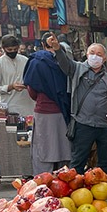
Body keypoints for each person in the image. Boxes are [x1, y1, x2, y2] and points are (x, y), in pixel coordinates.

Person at [47, 35, 107, 176]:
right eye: (92, 53)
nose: (95, 57)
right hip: (83, 123)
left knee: (105, 162)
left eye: (99, 54)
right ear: (87, 55)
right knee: (78, 160)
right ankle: (75, 191)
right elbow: (65, 63)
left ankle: (104, 190)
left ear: (105, 59)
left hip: (105, 126)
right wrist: (58, 49)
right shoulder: (77, 69)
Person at [23, 32, 71, 176]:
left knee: (43, 151)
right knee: (64, 149)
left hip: (43, 112)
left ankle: (44, 185)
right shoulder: (66, 61)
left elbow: (32, 91)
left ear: (43, 45)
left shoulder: (36, 62)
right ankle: (64, 181)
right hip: (64, 111)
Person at [0, 35, 35, 119]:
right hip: (10, 106)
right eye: (9, 50)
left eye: (15, 49)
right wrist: (11, 87)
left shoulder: (25, 60)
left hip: (27, 106)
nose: (13, 52)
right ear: (3, 49)